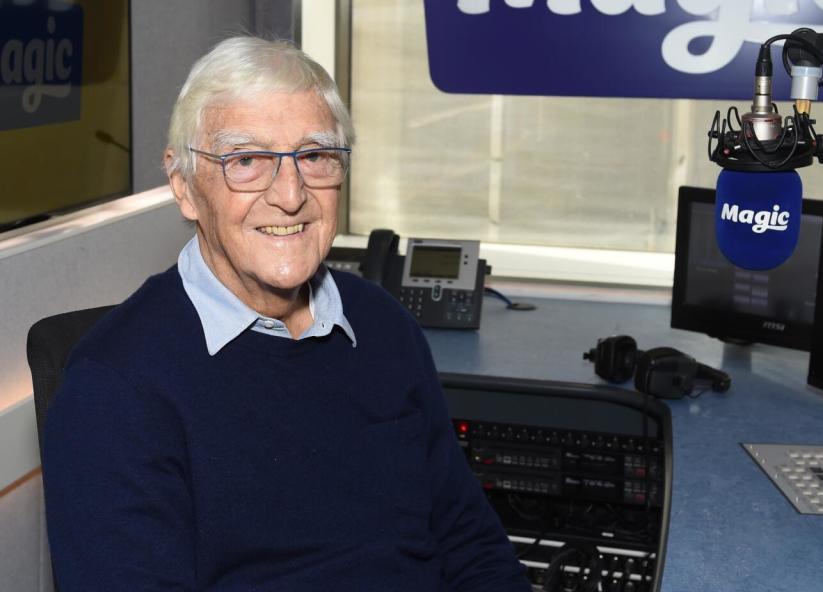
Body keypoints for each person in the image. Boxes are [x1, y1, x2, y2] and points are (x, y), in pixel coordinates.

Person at [42, 36, 531, 591]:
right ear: (184, 188)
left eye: (315, 156)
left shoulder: (382, 324)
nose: (291, 194)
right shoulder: (114, 388)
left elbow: (472, 546)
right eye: (247, 161)